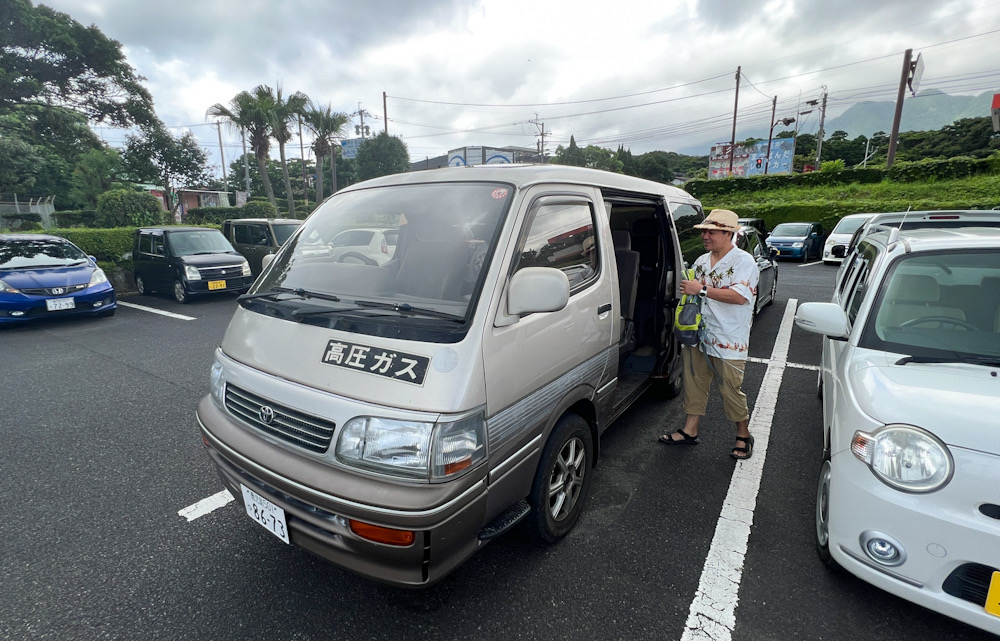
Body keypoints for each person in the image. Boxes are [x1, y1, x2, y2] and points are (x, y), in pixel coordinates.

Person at [659, 209, 760, 460]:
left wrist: (701, 289)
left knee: (730, 388)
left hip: (729, 338)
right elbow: (693, 290)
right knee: (694, 382)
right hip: (699, 334)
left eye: (711, 231)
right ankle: (690, 430)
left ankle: (743, 434)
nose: (705, 235)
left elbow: (739, 296)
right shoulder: (702, 261)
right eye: (704, 231)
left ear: (729, 234)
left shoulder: (743, 262)